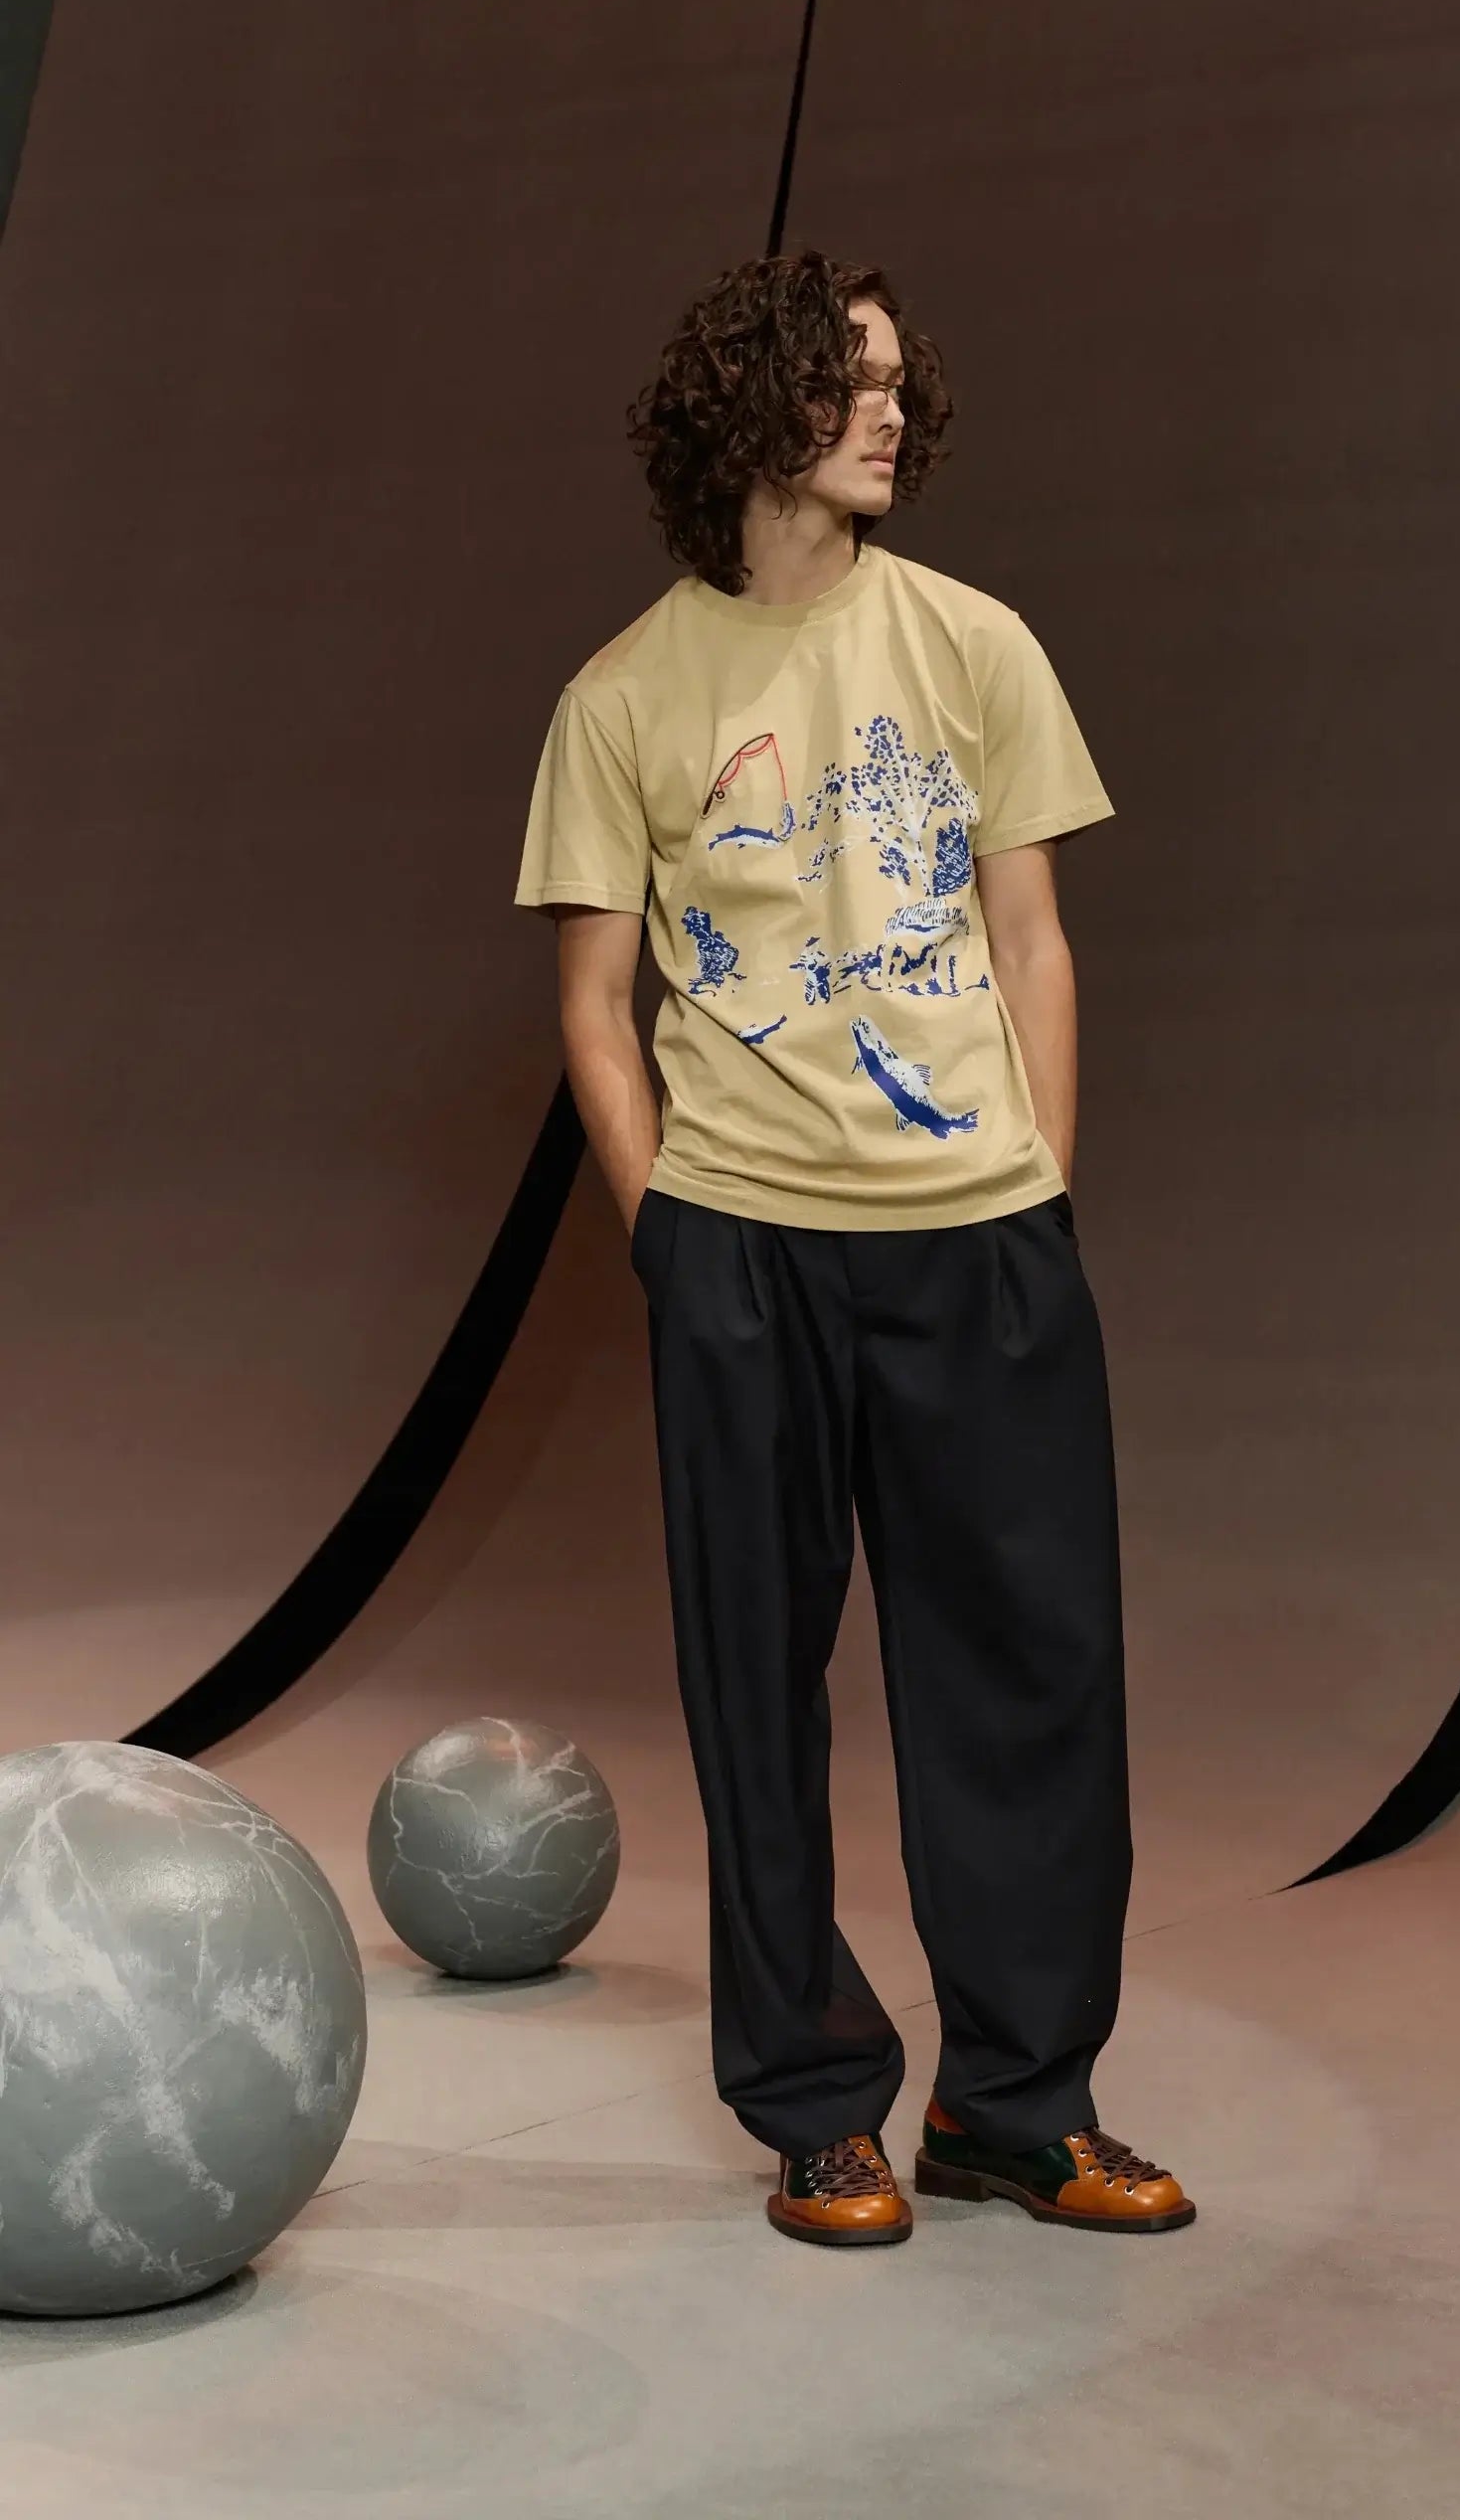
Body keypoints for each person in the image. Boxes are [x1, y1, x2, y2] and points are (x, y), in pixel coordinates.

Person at [514, 251, 1193, 2248]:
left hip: (978, 1242)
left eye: (900, 380)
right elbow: (595, 1005)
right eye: (852, 377)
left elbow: (1033, 939)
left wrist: (1035, 1186)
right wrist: (668, 1236)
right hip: (741, 1251)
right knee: (758, 1681)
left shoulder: (978, 645)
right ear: (751, 408)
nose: (893, 410)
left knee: (1032, 1672)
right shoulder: (621, 695)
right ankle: (817, 2101)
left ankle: (1020, 2101)